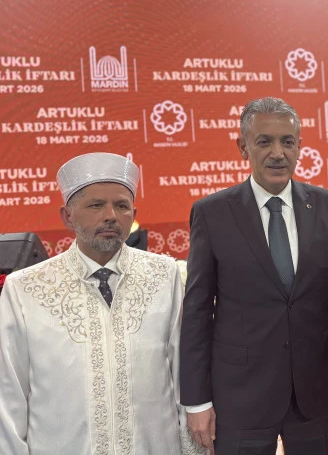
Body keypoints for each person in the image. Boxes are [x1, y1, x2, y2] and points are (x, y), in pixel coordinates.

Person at [180, 97, 328, 454]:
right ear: (243, 147)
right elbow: (197, 312)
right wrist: (197, 401)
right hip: (240, 396)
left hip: (316, 392)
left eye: (287, 141)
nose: (278, 153)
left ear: (299, 146)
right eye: (264, 141)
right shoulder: (212, 213)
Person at [0, 152, 199, 454]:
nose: (111, 216)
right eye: (96, 205)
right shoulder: (25, 288)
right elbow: (8, 393)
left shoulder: (163, 274)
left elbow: (185, 375)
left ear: (133, 213)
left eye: (121, 206)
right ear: (67, 216)